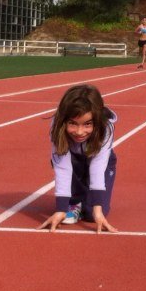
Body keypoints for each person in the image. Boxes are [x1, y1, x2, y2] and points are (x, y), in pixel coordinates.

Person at [38, 84, 118, 234]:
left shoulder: (106, 128)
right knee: (64, 168)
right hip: (75, 162)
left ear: (97, 120)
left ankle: (85, 202)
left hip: (101, 163)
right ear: (64, 120)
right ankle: (75, 201)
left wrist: (98, 209)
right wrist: (61, 209)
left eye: (87, 124)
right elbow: (63, 167)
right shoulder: (56, 127)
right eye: (73, 123)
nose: (80, 132)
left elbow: (98, 167)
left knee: (91, 215)